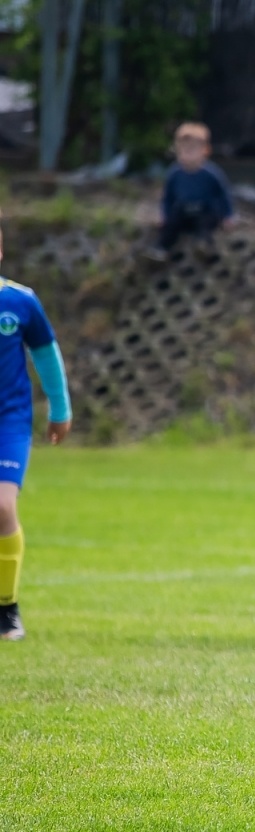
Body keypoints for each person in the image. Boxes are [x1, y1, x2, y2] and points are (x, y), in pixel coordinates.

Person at [0, 216, 72, 640]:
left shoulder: (20, 301)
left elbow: (46, 354)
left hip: (9, 421)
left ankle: (6, 608)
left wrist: (59, 408)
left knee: (3, 507)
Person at [147, 122, 236, 261]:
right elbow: (168, 198)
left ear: (204, 151)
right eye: (183, 150)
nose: (187, 154)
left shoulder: (211, 174)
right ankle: (161, 248)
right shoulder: (175, 174)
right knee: (172, 222)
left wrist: (228, 216)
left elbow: (223, 195)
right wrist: (164, 215)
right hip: (184, 210)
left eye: (192, 150)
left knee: (206, 223)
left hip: (205, 210)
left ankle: (203, 245)